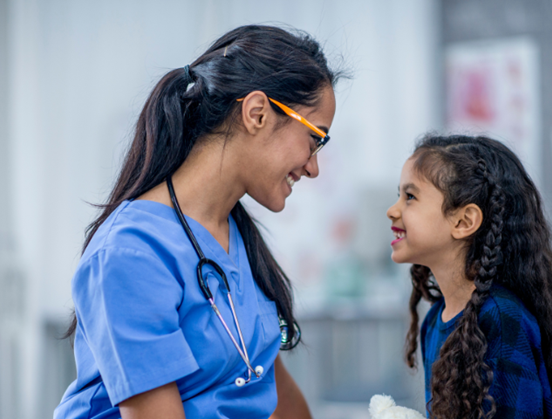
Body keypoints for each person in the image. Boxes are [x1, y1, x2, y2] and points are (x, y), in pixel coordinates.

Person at [54, 24, 342, 419]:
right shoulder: (131, 253)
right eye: (315, 139)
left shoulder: (237, 239)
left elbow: (267, 386)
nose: (314, 167)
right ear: (256, 113)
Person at [386, 135, 552, 419]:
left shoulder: (501, 318)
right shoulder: (434, 322)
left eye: (410, 197)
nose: (392, 210)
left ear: (464, 221)